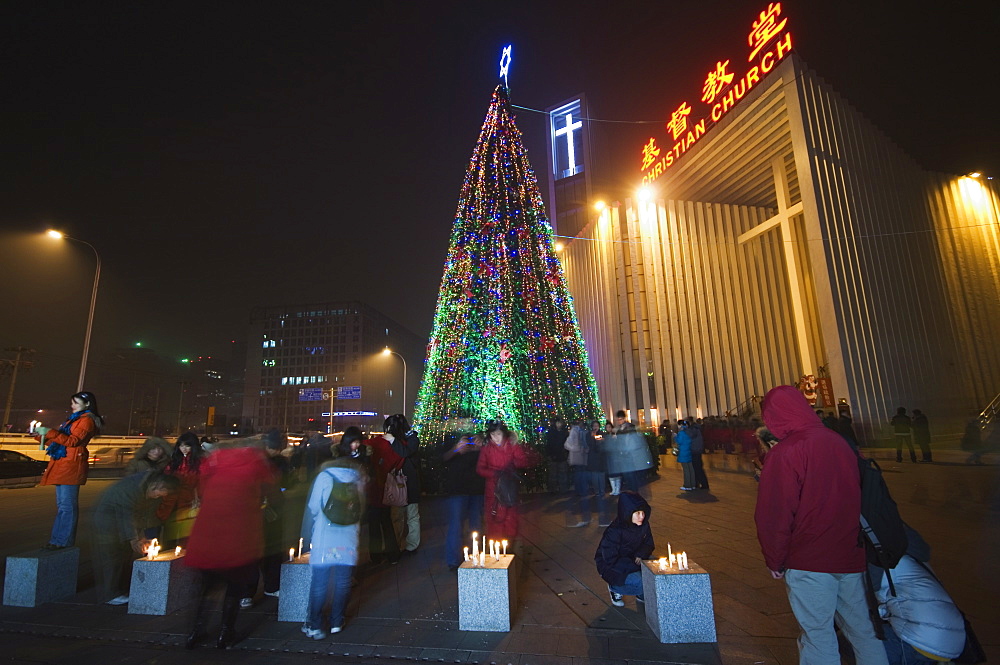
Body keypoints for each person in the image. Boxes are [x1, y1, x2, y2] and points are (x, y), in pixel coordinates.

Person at [755, 385, 888, 665]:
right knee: (864, 632)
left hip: (810, 559)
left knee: (818, 634)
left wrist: (775, 559)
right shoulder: (838, 442)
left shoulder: (786, 452)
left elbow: (775, 514)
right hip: (851, 555)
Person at [184, 436, 274, 649]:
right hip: (237, 536)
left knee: (206, 588)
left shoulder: (214, 460)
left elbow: (203, 487)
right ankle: (226, 634)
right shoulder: (256, 461)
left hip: (207, 535)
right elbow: (271, 484)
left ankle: (196, 632)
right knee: (234, 588)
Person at [300, 429, 367, 637]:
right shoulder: (358, 476)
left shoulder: (324, 476)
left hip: (325, 533)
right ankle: (337, 621)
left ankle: (315, 625)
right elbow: (361, 507)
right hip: (349, 534)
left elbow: (313, 507)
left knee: (320, 582)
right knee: (343, 581)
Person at [868, 525, 966, 664]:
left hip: (920, 641)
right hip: (951, 644)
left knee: (857, 642)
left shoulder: (877, 561)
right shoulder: (911, 554)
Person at [91, 471, 180, 605]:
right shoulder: (131, 488)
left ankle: (120, 589)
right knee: (111, 557)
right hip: (107, 523)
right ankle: (109, 594)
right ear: (157, 486)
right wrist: (134, 538)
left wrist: (142, 537)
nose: (157, 497)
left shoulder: (146, 488)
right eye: (159, 494)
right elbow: (125, 516)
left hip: (122, 524)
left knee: (125, 556)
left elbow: (140, 516)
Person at [34, 391, 104, 550]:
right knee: (62, 506)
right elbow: (59, 442)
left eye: (76, 403)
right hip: (63, 463)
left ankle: (63, 541)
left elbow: (72, 441)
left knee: (67, 506)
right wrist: (40, 436)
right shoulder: (74, 420)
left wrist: (50, 432)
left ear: (87, 405)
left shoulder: (86, 421)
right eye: (72, 402)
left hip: (71, 465)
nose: (72, 406)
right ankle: (57, 540)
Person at [242, 429, 291, 608]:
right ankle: (247, 591)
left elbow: (283, 483)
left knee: (273, 550)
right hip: (255, 511)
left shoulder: (278, 462)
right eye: (276, 448)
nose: (277, 451)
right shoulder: (254, 461)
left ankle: (271, 585)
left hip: (274, 510)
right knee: (253, 552)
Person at [475, 421, 540, 542]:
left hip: (509, 487)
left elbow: (523, 461)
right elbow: (480, 468)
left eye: (498, 434)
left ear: (503, 434)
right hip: (493, 490)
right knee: (495, 520)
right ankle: (497, 545)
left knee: (510, 518)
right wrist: (494, 474)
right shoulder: (487, 448)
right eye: (493, 435)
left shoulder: (512, 445)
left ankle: (509, 544)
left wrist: (512, 466)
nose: (496, 438)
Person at [594, 491, 654, 607]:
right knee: (641, 578)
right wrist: (635, 566)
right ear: (627, 513)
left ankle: (641, 592)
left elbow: (649, 543)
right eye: (637, 513)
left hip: (633, 558)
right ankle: (615, 588)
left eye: (643, 512)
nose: (641, 516)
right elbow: (609, 558)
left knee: (654, 571)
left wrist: (641, 554)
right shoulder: (615, 531)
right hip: (612, 566)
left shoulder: (644, 524)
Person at [363, 422, 405, 564]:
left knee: (373, 524)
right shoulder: (399, 445)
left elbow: (361, 445)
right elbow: (401, 460)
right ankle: (392, 555)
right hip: (388, 486)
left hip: (374, 485)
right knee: (387, 522)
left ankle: (375, 556)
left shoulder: (374, 442)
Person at [442, 434, 485, 571]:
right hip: (458, 488)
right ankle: (454, 561)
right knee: (456, 525)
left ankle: (476, 556)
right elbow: (442, 458)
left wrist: (482, 447)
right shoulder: (449, 435)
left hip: (477, 487)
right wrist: (456, 449)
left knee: (476, 525)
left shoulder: (480, 435)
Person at [157, 431, 203, 546]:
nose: (184, 449)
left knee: (185, 539)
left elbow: (201, 483)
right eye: (181, 445)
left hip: (187, 503)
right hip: (170, 503)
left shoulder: (199, 463)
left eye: (187, 445)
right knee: (168, 538)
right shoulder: (174, 462)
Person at [386, 414, 422, 555]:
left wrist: (393, 440)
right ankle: (398, 544)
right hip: (398, 482)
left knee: (411, 516)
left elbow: (404, 452)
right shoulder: (408, 438)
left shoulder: (411, 439)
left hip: (409, 482)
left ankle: (411, 545)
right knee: (398, 516)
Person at [570, 420, 608, 527]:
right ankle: (595, 518)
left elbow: (602, 448)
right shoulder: (587, 435)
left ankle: (601, 518)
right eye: (594, 426)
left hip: (600, 466)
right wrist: (593, 438)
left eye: (597, 426)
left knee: (601, 491)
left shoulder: (602, 434)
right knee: (596, 491)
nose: (596, 427)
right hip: (592, 466)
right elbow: (590, 448)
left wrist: (600, 441)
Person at [544, 418, 570, 492]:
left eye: (560, 423)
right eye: (557, 423)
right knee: (553, 474)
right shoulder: (551, 432)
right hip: (554, 456)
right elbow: (549, 444)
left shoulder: (564, 432)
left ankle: (563, 489)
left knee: (563, 473)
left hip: (562, 456)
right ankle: (553, 489)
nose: (559, 425)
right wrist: (549, 455)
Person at [674, 420, 696, 491]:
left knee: (686, 469)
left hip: (683, 452)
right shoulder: (689, 431)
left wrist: (675, 437)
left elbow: (679, 441)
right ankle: (693, 484)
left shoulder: (681, 433)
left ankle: (687, 485)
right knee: (691, 469)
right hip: (689, 451)